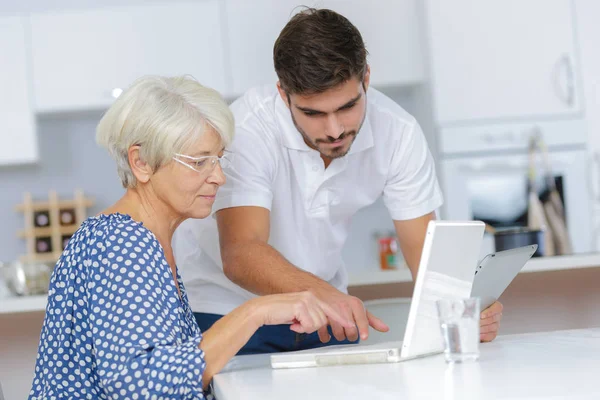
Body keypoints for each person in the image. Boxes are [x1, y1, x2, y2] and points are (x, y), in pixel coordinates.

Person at [174, 8, 503, 355]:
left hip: (323, 317)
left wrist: (462, 310)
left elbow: (425, 251)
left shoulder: (399, 132)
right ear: (283, 95)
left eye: (347, 107)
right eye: (313, 113)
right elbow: (242, 251)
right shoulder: (246, 130)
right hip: (227, 313)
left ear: (366, 80)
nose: (334, 130)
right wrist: (327, 295)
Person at [28, 75, 351, 399]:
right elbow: (144, 385)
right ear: (140, 163)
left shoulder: (135, 238)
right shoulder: (123, 244)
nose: (219, 177)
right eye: (199, 162)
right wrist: (257, 311)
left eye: (219, 159)